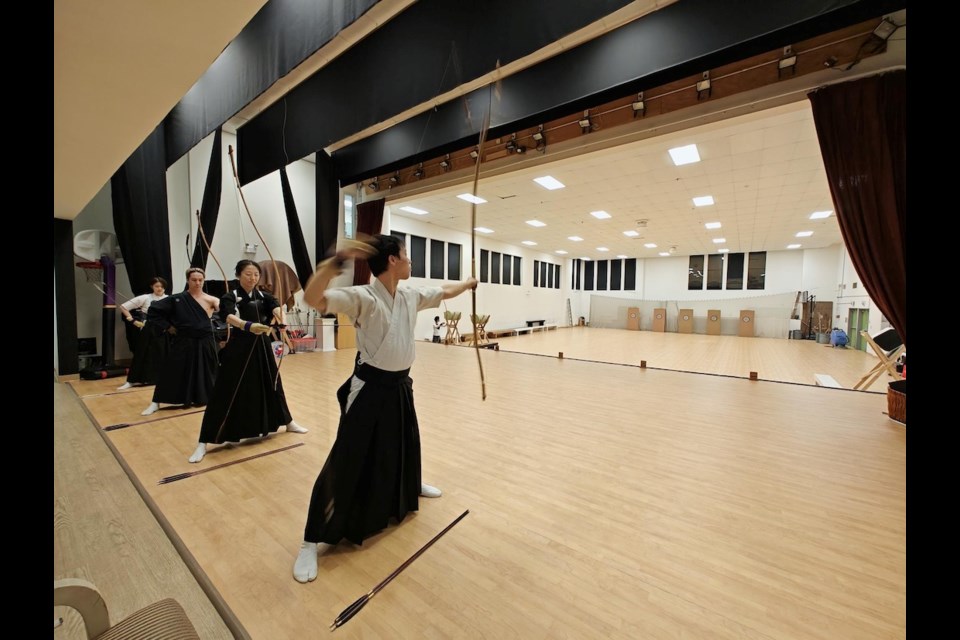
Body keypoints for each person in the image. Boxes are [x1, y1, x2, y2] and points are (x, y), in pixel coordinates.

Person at [292, 234, 477, 583]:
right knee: (346, 458)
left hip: (398, 387)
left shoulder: (409, 294)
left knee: (405, 441)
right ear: (392, 260)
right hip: (369, 388)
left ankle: (410, 485)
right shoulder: (363, 296)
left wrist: (468, 283)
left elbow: (445, 291)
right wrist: (336, 262)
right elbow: (312, 297)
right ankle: (310, 539)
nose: (411, 261)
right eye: (406, 255)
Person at [188, 260, 308, 463]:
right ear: (238, 275)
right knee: (225, 390)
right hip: (239, 347)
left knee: (273, 384)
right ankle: (204, 440)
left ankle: (287, 421)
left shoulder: (264, 296)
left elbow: (276, 308)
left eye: (256, 275)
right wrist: (247, 325)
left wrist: (282, 319)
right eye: (248, 274)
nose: (252, 278)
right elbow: (227, 316)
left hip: (261, 346)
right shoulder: (231, 296)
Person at [140, 267, 220, 416]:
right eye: (194, 280)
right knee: (172, 370)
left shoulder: (212, 299)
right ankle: (156, 402)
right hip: (184, 339)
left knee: (209, 370)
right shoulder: (177, 299)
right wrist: (168, 327)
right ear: (188, 280)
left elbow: (224, 313)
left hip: (205, 340)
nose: (197, 283)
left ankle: (206, 398)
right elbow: (153, 311)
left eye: (200, 280)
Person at [117, 277, 171, 390]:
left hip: (164, 329)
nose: (159, 288)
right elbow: (123, 307)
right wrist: (132, 320)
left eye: (161, 286)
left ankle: (161, 379)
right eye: (157, 286)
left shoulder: (169, 298)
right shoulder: (146, 297)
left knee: (162, 354)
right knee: (142, 353)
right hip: (148, 327)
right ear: (152, 287)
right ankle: (131, 381)